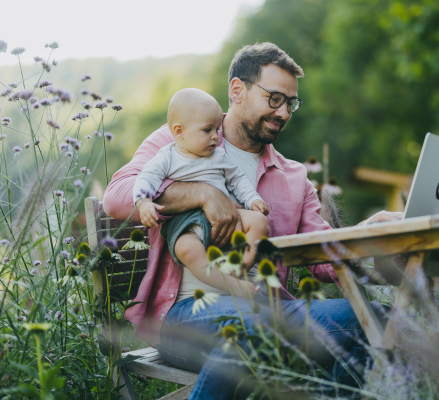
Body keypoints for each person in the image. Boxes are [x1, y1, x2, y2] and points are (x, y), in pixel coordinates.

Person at [103, 42, 402, 399]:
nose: (285, 112)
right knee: (253, 330)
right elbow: (117, 195)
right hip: (186, 315)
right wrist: (202, 193)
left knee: (379, 320)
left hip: (268, 309)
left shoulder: (294, 177)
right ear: (237, 90)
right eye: (275, 98)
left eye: (291, 103)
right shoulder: (180, 141)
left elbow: (323, 259)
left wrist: (370, 237)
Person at [134, 88, 269, 298]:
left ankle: (240, 268)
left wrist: (252, 199)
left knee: (260, 223)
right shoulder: (167, 157)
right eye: (207, 130)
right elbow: (146, 178)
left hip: (227, 217)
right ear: (180, 131)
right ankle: (229, 285)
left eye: (217, 129)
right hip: (186, 223)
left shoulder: (219, 156)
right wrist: (144, 203)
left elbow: (237, 180)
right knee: (187, 250)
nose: (216, 137)